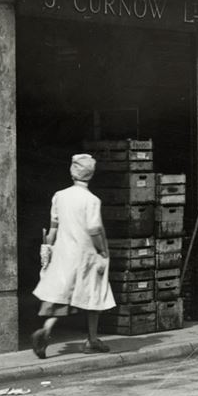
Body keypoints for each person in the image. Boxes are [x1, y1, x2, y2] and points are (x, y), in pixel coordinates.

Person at [31, 153, 116, 358]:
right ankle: (92, 340)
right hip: (87, 254)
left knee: (62, 295)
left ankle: (46, 330)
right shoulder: (92, 200)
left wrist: (47, 249)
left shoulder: (60, 196)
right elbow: (95, 230)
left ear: (72, 171)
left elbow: (53, 228)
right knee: (94, 294)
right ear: (92, 174)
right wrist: (103, 251)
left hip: (63, 252)